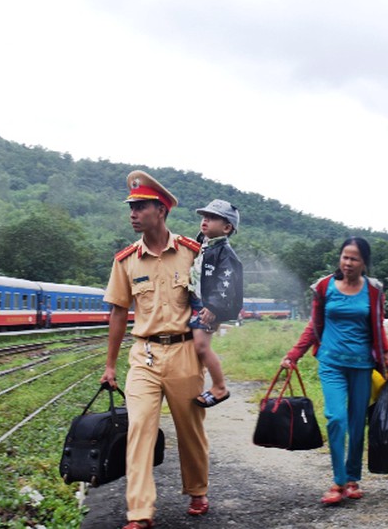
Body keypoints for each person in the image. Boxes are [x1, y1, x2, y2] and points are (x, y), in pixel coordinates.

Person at [100, 170, 210, 529]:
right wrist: (110, 366)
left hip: (184, 353)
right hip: (144, 355)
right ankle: (139, 511)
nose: (133, 214)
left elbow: (210, 303)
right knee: (139, 429)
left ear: (161, 210)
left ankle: (197, 489)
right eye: (131, 207)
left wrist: (206, 343)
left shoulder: (192, 254)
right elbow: (119, 312)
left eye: (140, 207)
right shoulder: (126, 260)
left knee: (190, 429)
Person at [281, 237, 388, 505]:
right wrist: (294, 354)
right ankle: (338, 481)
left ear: (364, 262)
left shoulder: (373, 290)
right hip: (331, 363)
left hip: (362, 365)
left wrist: (387, 356)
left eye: (354, 258)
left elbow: (377, 326)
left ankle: (352, 479)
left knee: (357, 423)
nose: (348, 263)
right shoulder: (325, 287)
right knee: (336, 418)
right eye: (345, 257)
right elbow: (314, 325)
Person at [190, 199, 243, 408]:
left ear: (226, 228)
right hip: (196, 302)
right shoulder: (203, 246)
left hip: (208, 306)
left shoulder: (224, 252)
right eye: (204, 217)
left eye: (212, 218)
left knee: (201, 346)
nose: (205, 221)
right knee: (192, 345)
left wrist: (214, 307)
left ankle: (220, 387)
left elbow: (226, 283)